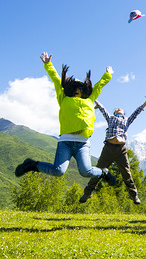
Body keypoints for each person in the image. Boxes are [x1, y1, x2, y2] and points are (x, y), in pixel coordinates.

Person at [15, 52, 115, 185]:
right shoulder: (63, 99)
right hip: (65, 141)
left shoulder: (90, 100)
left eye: (79, 87)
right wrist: (48, 65)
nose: (76, 89)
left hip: (83, 143)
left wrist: (108, 75)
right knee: (58, 171)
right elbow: (56, 80)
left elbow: (99, 86)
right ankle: (32, 165)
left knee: (86, 171)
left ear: (83, 89)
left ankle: (104, 173)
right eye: (73, 87)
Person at [79, 97, 146, 204]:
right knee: (98, 170)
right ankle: (87, 193)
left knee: (126, 173)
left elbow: (137, 112)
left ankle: (134, 195)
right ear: (114, 113)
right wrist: (95, 99)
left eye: (120, 109)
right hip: (108, 148)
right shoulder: (110, 118)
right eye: (117, 109)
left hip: (121, 150)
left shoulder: (126, 120)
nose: (119, 109)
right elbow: (102, 109)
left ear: (123, 113)